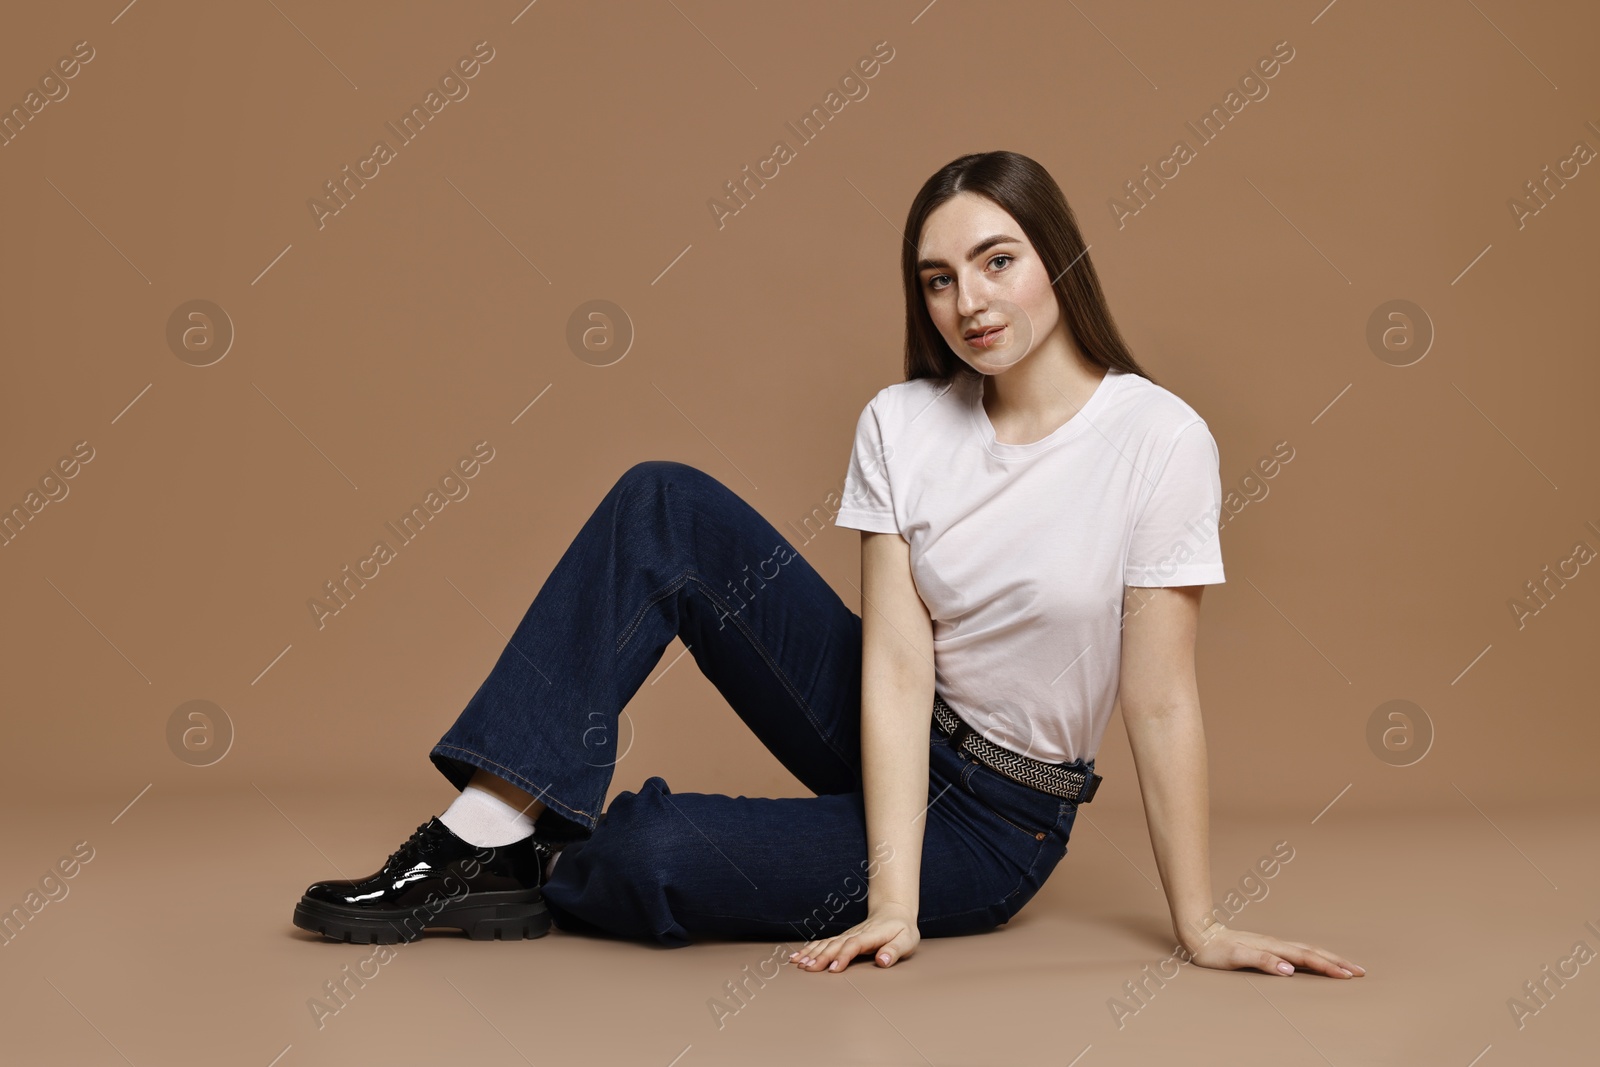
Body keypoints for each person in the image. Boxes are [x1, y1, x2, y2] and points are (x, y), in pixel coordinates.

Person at [291, 150, 1364, 981]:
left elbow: (1162, 701)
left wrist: (1203, 921)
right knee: (662, 499)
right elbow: (895, 664)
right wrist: (888, 897)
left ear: (1058, 259)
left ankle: (552, 857)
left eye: (998, 261)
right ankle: (485, 832)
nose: (970, 302)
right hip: (882, 723)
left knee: (650, 856)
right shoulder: (903, 420)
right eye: (939, 279)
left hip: (997, 819)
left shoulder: (1158, 439)